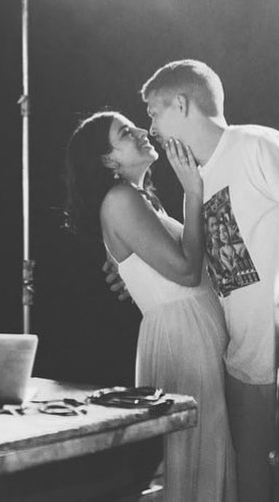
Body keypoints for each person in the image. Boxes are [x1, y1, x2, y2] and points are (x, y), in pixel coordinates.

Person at [135, 59, 279, 502]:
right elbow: (209, 271)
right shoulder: (197, 182)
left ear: (181, 104)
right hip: (243, 366)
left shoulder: (258, 146)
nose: (151, 128)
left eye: (153, 112)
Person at [65, 110, 236, 502]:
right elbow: (186, 271)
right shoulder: (120, 200)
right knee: (199, 453)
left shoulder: (140, 199)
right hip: (184, 337)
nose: (142, 131)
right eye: (126, 133)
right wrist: (193, 192)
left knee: (207, 449)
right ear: (109, 160)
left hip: (190, 327)